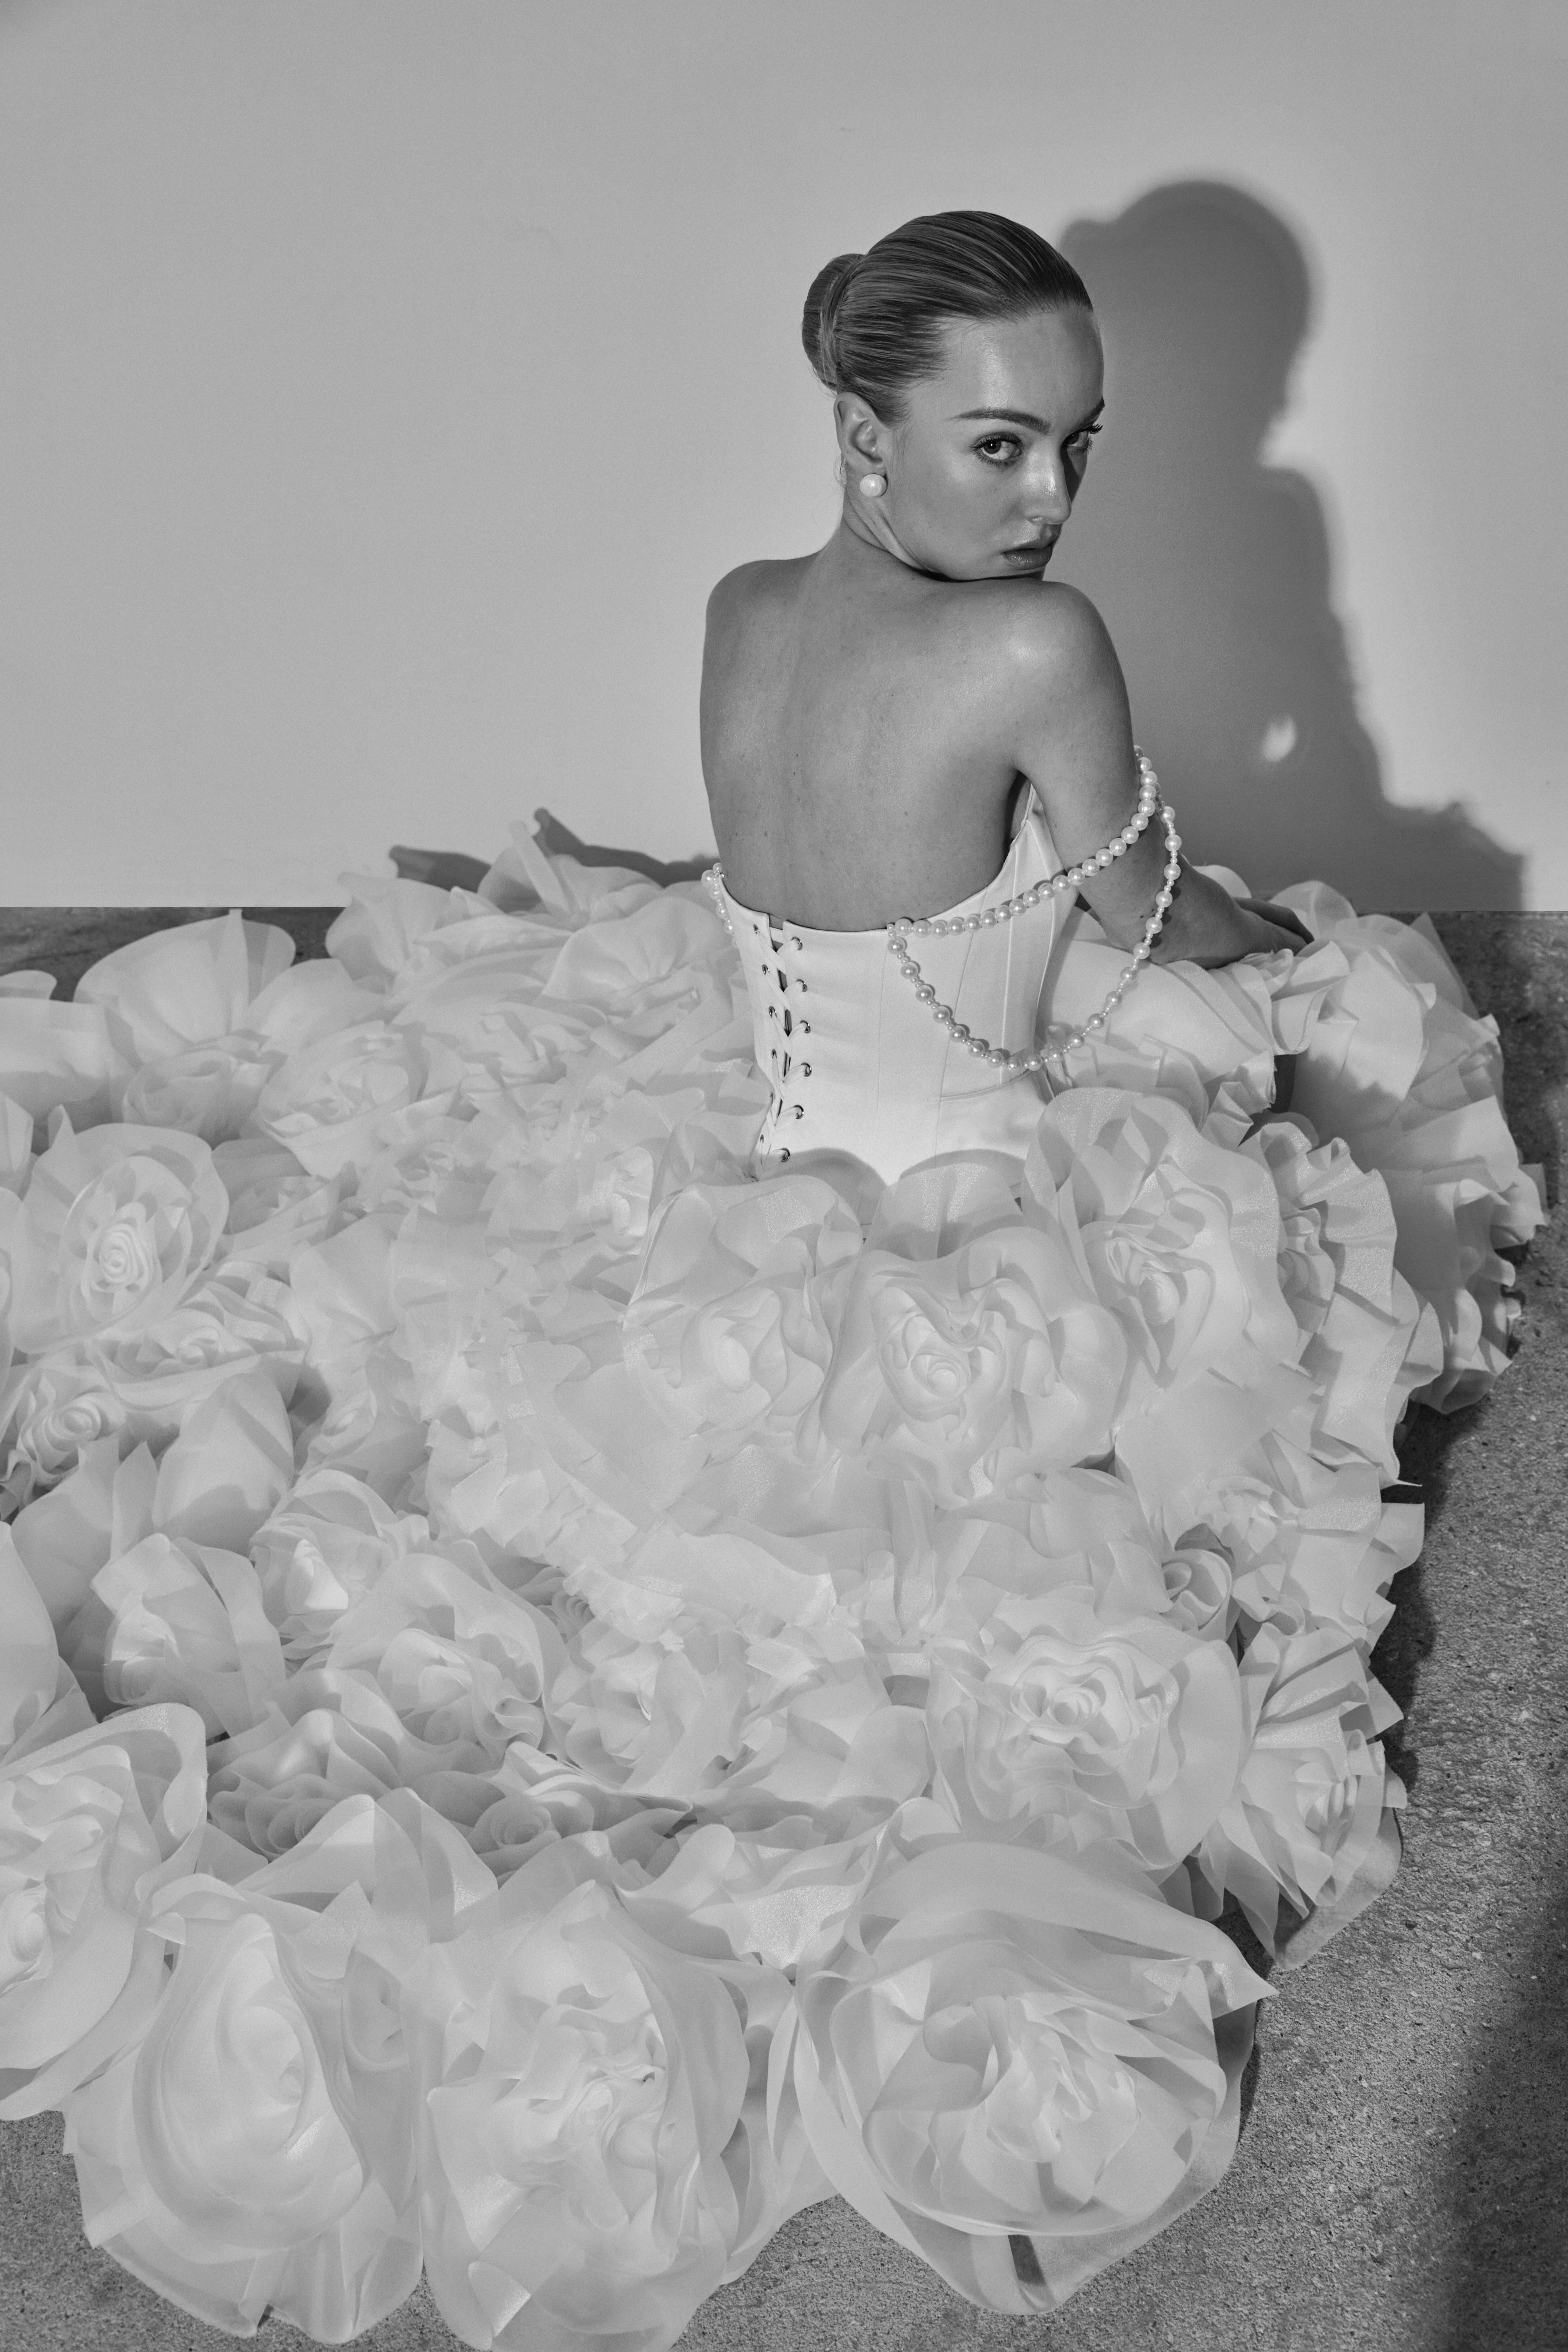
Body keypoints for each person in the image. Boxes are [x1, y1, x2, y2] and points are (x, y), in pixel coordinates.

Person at [0, 211, 1541, 2347]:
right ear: (861, 427)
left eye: (1077, 445)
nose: (1050, 497)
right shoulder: (1042, 647)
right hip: (965, 1217)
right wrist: (1268, 955)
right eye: (999, 444)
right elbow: (1138, 913)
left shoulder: (740, 608)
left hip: (749, 1185)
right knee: (1328, 1064)